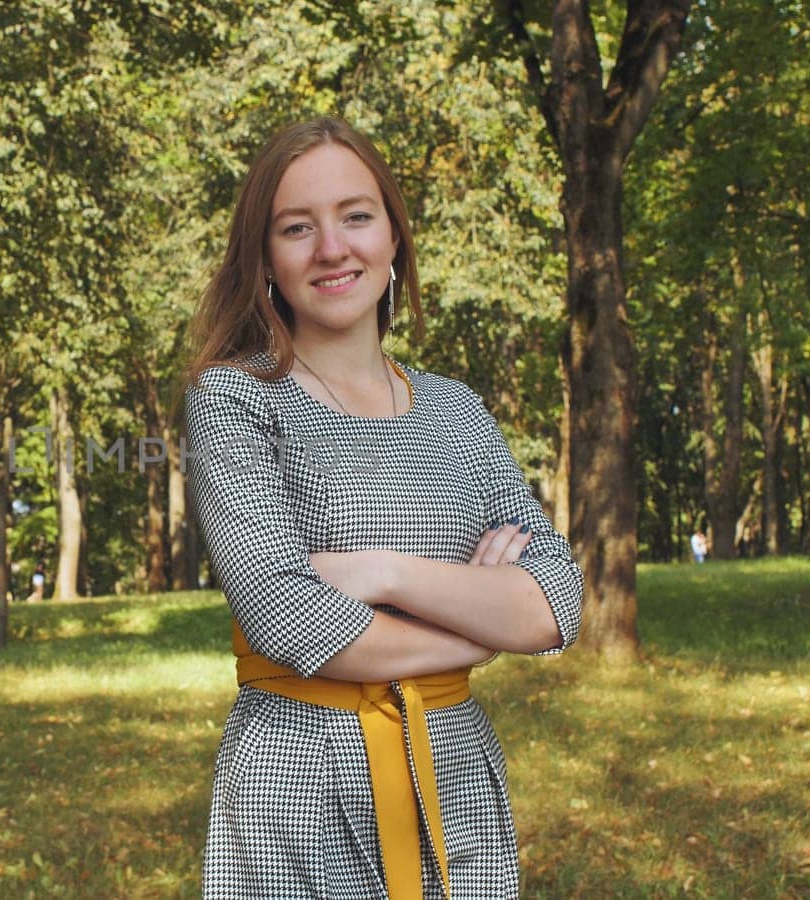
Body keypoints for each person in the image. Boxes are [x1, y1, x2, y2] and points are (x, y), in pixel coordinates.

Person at [181, 117, 584, 898]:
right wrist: (476, 629)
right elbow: (283, 616)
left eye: (356, 216)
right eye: (297, 228)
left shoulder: (456, 411)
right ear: (265, 259)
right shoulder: (235, 398)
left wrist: (384, 572)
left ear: (394, 236)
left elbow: (555, 601)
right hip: (297, 787)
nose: (332, 248)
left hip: (455, 777)